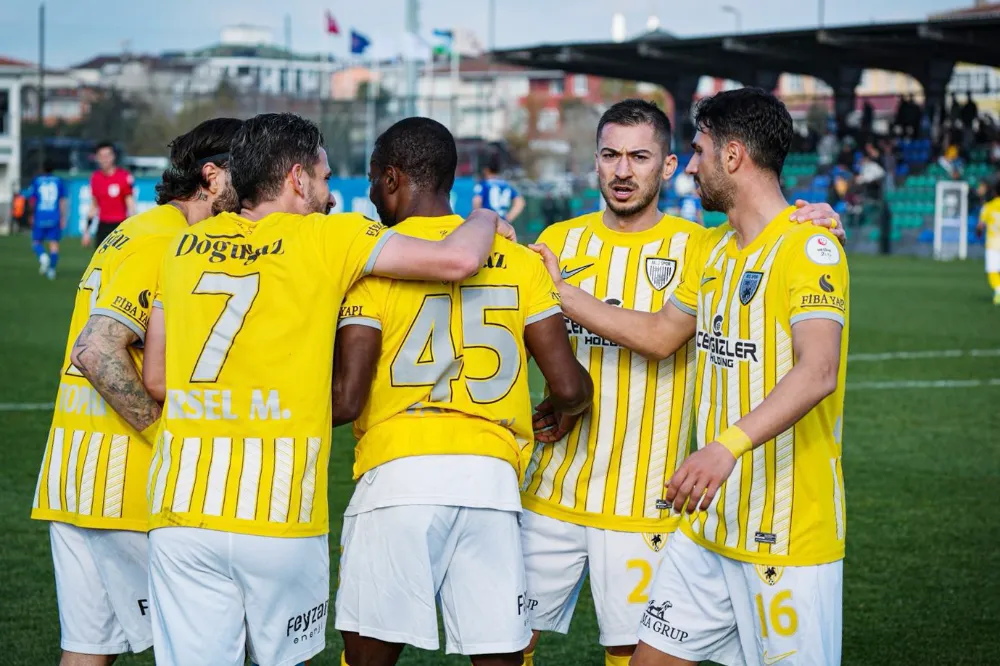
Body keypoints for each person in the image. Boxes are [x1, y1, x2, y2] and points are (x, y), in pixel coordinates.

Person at [138, 112, 515, 666]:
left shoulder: (183, 246)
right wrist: (484, 216)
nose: (332, 193)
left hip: (181, 508)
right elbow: (459, 259)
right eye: (325, 177)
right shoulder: (328, 236)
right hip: (278, 511)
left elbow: (156, 378)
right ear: (297, 178)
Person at [520, 99, 845, 666]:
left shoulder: (798, 246)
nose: (692, 165)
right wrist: (551, 288)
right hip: (706, 522)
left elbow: (818, 370)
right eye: (610, 155)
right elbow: (660, 333)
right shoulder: (715, 251)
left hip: (775, 526)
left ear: (732, 156)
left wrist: (726, 446)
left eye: (697, 152)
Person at [330, 116, 593, 666]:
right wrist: (568, 404)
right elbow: (569, 384)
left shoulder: (373, 265)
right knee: (498, 656)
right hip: (490, 480)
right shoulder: (519, 262)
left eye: (375, 179)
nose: (372, 192)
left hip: (398, 474)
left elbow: (347, 394)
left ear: (393, 178)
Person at [30, 117, 245, 666]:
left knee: (87, 651)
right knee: (215, 643)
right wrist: (163, 434)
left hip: (75, 471)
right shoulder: (168, 242)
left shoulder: (136, 229)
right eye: (247, 172)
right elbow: (96, 350)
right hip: (124, 479)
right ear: (213, 177)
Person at [85, 141, 135, 248]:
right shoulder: (95, 178)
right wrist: (87, 231)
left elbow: (130, 204)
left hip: (120, 226)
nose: (105, 159)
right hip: (102, 226)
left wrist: (133, 227)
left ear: (113, 156)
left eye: (107, 156)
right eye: (101, 156)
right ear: (97, 158)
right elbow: (94, 205)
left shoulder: (123, 176)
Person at [26, 161, 68, 279]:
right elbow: (62, 201)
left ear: (42, 169)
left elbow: (32, 200)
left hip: (40, 216)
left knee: (36, 242)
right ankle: (52, 270)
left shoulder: (37, 181)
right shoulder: (58, 181)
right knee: (54, 244)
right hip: (54, 217)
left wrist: (31, 214)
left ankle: (43, 257)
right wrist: (63, 217)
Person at [473, 153, 526, 221]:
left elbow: (477, 201)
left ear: (486, 170)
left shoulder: (483, 185)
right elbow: (520, 202)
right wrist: (509, 217)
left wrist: (478, 218)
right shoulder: (507, 185)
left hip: (487, 221)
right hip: (502, 222)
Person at [977, 181, 1000, 305]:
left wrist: (978, 232)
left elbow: (980, 227)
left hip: (993, 244)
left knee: (992, 270)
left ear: (995, 192)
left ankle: (998, 291)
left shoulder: (988, 207)